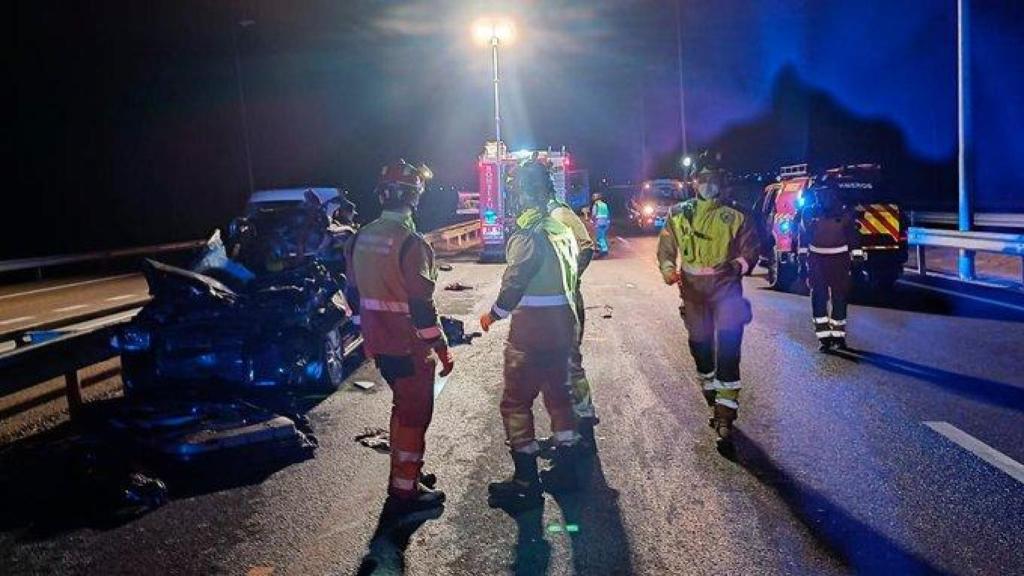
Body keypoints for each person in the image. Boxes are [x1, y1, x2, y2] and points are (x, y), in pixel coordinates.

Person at [348, 159, 455, 514]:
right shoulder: (411, 244)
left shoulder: (360, 237)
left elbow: (353, 293)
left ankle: (405, 477)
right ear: (415, 197)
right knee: (413, 417)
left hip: (379, 346)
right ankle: (405, 492)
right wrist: (442, 348)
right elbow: (422, 307)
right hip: (409, 348)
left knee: (401, 410)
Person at [480, 158, 581, 510]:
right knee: (560, 397)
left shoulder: (529, 235)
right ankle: (567, 470)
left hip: (531, 332)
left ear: (520, 194)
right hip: (562, 328)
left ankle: (526, 482)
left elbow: (515, 283)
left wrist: (494, 314)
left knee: (516, 403)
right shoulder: (561, 230)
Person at [656, 155, 760, 449]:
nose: (708, 185)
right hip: (693, 293)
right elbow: (666, 247)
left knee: (729, 349)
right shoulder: (679, 213)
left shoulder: (737, 214)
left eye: (714, 179)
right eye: (703, 179)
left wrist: (736, 266)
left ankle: (725, 415)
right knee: (700, 346)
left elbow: (751, 249)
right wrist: (668, 269)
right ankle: (711, 392)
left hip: (726, 291)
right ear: (693, 182)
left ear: (722, 182)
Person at [547, 194, 598, 450]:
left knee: (567, 363)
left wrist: (570, 277)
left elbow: (586, 247)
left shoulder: (559, 215)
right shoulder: (547, 217)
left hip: (564, 301)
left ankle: (577, 427)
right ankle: (575, 421)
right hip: (556, 301)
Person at [798, 181, 862, 352]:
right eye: (818, 193)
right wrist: (802, 260)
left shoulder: (844, 212)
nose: (821, 196)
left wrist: (857, 258)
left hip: (838, 260)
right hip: (817, 260)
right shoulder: (809, 212)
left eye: (824, 192)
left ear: (833, 194)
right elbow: (803, 237)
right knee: (819, 298)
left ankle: (838, 337)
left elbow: (853, 237)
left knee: (838, 298)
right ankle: (824, 338)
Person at [591, 192, 611, 258]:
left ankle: (604, 250)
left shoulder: (596, 205)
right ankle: (603, 249)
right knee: (603, 236)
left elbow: (594, 214)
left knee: (599, 237)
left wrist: (592, 221)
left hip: (599, 222)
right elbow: (608, 213)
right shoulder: (604, 204)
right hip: (605, 222)